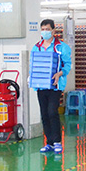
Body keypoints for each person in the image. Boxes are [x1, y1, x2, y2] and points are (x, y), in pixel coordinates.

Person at [29, 19, 72, 153]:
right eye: (43, 29)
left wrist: (60, 73)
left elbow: (67, 65)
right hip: (41, 86)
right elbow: (33, 64)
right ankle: (49, 143)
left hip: (55, 85)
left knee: (52, 112)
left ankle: (57, 141)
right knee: (44, 114)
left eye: (47, 29)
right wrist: (32, 76)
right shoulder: (37, 47)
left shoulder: (61, 47)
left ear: (53, 31)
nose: (45, 32)